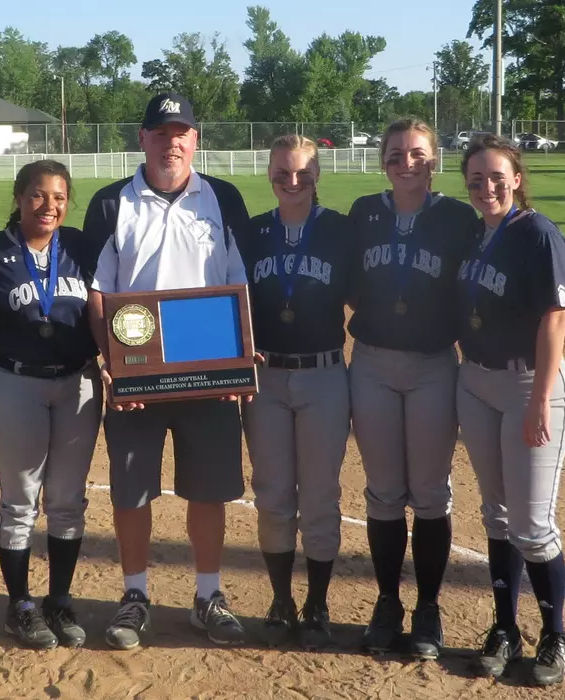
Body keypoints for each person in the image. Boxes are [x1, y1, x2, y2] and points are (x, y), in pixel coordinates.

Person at [85, 92, 252, 650]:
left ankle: (208, 595)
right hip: (138, 379)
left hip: (208, 377)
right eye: (160, 132)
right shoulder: (112, 203)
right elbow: (98, 294)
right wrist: (113, 366)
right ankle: (134, 596)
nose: (171, 142)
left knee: (208, 490)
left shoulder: (223, 198)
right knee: (132, 492)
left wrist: (236, 363)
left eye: (181, 132)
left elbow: (238, 286)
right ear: (143, 139)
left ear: (195, 140)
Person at [347, 119, 480, 660]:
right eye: (397, 154)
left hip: (432, 365)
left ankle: (427, 606)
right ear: (383, 161)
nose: (407, 163)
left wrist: (555, 317)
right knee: (382, 491)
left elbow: (483, 276)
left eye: (418, 154)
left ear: (435, 159)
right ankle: (386, 602)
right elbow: (344, 281)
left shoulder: (455, 217)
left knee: (428, 491)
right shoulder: (364, 214)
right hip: (373, 364)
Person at [455, 134, 565, 686]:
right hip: (475, 383)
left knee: (531, 523)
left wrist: (538, 401)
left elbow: (555, 318)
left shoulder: (537, 233)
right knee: (496, 515)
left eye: (496, 176)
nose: (487, 187)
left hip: (530, 384)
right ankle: (504, 627)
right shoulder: (471, 236)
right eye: (476, 179)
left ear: (517, 177)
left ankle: (556, 635)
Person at [0, 160, 103, 650]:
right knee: (20, 499)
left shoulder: (81, 246)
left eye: (59, 197)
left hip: (78, 383)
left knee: (68, 500)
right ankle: (20, 604)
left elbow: (110, 305)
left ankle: (60, 600)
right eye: (38, 195)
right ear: (19, 197)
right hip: (15, 382)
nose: (49, 206)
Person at [238, 135, 354, 650]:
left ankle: (319, 602)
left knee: (321, 493)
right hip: (267, 379)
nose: (292, 181)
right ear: (269, 173)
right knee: (273, 492)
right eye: (283, 171)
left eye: (303, 173)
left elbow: (381, 293)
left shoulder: (340, 231)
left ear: (317, 176)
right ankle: (282, 598)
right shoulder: (252, 232)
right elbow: (226, 297)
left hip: (325, 374)